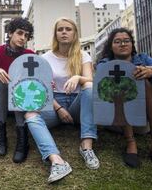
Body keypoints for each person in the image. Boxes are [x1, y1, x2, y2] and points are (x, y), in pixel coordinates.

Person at [26, 17, 99, 183]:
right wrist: (58, 108)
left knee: (89, 87)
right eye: (60, 29)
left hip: (78, 104)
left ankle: (86, 146)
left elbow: (90, 81)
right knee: (30, 113)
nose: (64, 32)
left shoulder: (83, 56)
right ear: (55, 34)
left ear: (74, 33)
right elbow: (42, 89)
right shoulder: (45, 58)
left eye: (68, 29)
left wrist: (78, 77)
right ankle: (57, 161)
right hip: (55, 102)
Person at [97, 27, 152, 171]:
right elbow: (102, 78)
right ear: (111, 46)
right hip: (117, 120)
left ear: (132, 44)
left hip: (144, 120)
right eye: (117, 41)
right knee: (122, 83)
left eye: (126, 41)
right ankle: (131, 143)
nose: (123, 44)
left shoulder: (142, 58)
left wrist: (151, 72)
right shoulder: (105, 62)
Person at [0, 17, 34, 163]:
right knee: (3, 82)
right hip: (1, 102)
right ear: (10, 33)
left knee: (20, 85)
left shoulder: (30, 54)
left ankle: (22, 142)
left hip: (21, 101)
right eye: (20, 33)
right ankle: (1, 137)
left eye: (26, 35)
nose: (23, 38)